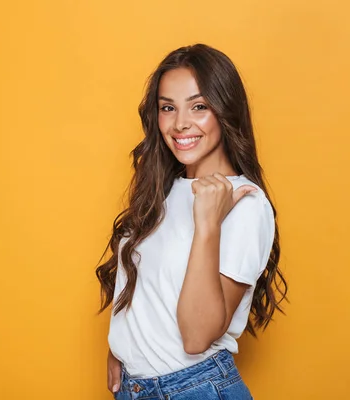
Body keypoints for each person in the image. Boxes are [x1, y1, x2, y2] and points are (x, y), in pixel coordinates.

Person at [96, 43, 287, 400]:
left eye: (199, 106)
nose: (181, 123)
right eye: (168, 107)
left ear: (225, 110)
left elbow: (197, 336)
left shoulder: (246, 204)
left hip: (193, 388)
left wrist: (208, 225)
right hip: (138, 389)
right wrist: (123, 348)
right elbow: (148, 289)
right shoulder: (161, 190)